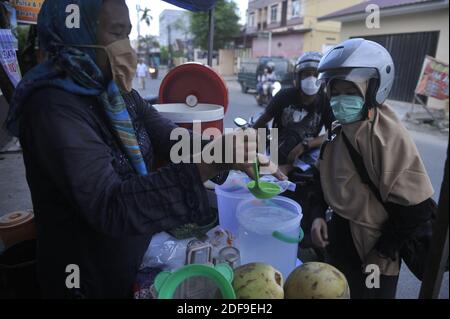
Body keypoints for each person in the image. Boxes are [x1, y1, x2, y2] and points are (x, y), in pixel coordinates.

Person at [7, 0, 284, 298]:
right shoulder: (52, 107)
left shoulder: (115, 92)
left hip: (128, 257)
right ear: (76, 33)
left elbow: (171, 138)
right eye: (116, 33)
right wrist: (212, 163)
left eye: (128, 33)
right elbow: (109, 204)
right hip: (83, 277)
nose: (126, 47)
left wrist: (229, 151)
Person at [310, 38, 435, 298]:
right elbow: (320, 179)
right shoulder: (339, 132)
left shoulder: (387, 137)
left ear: (373, 90)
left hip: (374, 254)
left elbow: (416, 209)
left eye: (350, 91)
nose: (340, 100)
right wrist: (317, 215)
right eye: (336, 91)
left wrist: (382, 252)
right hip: (338, 245)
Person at [253, 52, 334, 166]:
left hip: (307, 151)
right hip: (279, 148)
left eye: (315, 75)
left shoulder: (325, 101)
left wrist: (305, 145)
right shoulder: (284, 96)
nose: (311, 79)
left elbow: (332, 133)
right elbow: (262, 121)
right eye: (306, 74)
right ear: (298, 77)